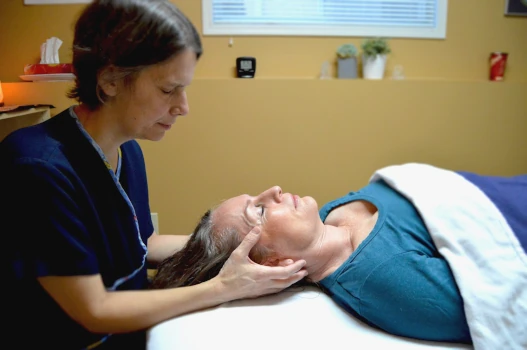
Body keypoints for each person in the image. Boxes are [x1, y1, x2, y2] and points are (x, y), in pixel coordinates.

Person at [1, 1, 307, 349]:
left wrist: (240, 239)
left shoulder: (127, 150)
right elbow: (93, 309)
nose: (183, 107)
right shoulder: (38, 168)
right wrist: (224, 286)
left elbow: (141, 243)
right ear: (111, 80)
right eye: (168, 89)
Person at [152, 170, 526, 344]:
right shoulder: (383, 279)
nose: (274, 189)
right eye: (260, 211)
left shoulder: (330, 217)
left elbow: (188, 247)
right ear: (273, 263)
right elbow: (499, 299)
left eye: (257, 196)